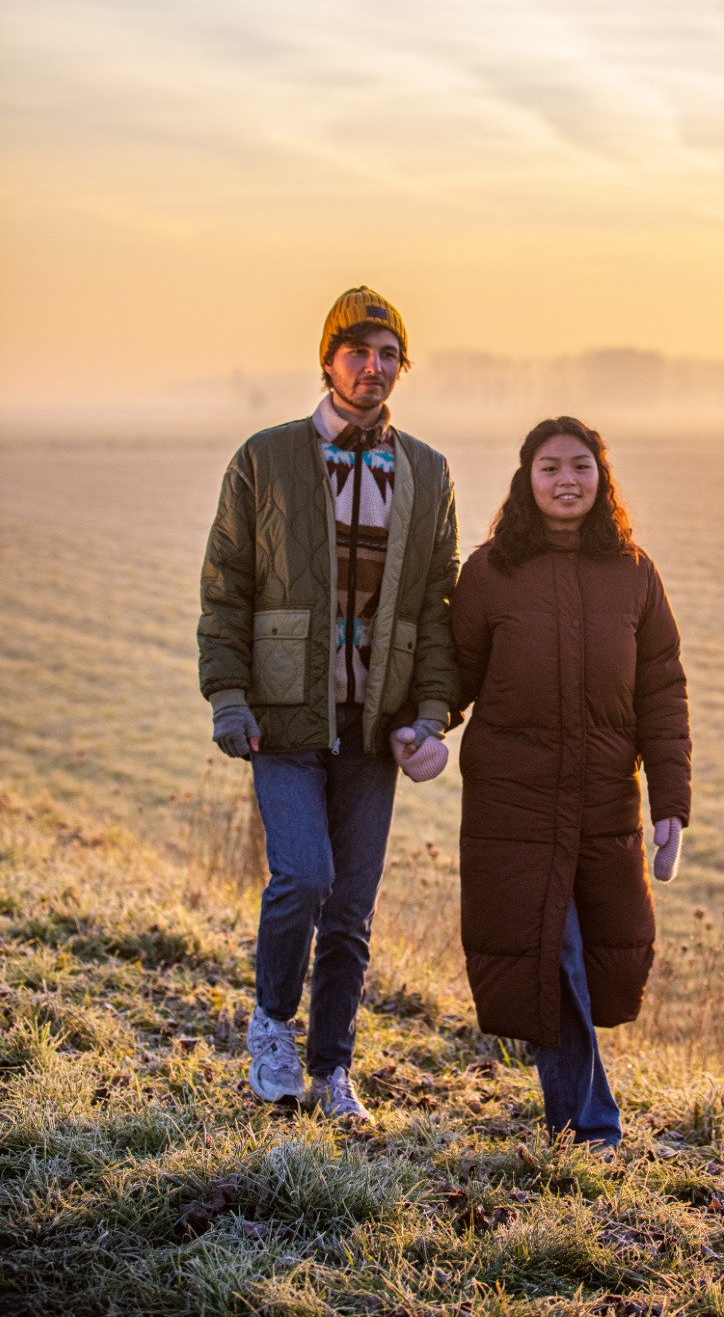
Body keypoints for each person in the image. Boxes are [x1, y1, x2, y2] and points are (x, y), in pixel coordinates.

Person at [198, 285, 458, 1123]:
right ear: (328, 360)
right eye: (358, 352)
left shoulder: (427, 471)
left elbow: (438, 606)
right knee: (304, 877)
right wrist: (229, 696)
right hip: (282, 717)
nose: (373, 368)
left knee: (350, 909)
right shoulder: (265, 458)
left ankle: (333, 1069)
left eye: (389, 356)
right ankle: (272, 1025)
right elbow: (226, 587)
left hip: (375, 725)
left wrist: (431, 713)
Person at [450, 416, 691, 1151]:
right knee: (551, 955)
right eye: (550, 467)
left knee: (581, 962)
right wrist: (419, 726)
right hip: (511, 806)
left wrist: (672, 804)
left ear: (601, 478)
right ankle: (591, 1128)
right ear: (527, 479)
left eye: (581, 466)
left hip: (603, 805)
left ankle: (580, 1120)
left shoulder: (634, 573)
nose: (566, 480)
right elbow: (451, 674)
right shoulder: (489, 573)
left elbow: (662, 692)